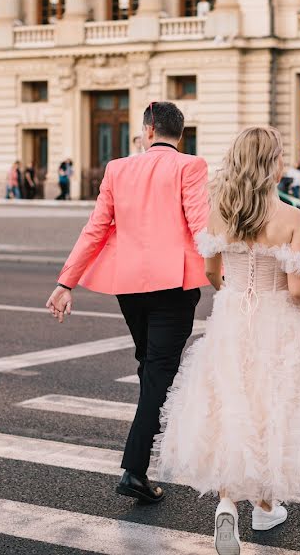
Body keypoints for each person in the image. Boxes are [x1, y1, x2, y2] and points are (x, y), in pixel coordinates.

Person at [155, 126, 300, 553]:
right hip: (279, 320)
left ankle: (227, 505)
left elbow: (212, 273)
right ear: (273, 164)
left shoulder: (220, 213)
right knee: (271, 406)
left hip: (232, 315)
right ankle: (266, 506)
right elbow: (296, 288)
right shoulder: (292, 217)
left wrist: (233, 290)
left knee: (230, 404)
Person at [45, 101, 209, 507]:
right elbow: (202, 226)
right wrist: (230, 274)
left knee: (149, 365)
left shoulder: (118, 168)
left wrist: (67, 282)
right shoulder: (190, 166)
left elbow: (96, 228)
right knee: (158, 373)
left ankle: (143, 448)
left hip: (130, 286)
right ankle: (134, 469)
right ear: (179, 135)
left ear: (148, 130)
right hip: (174, 284)